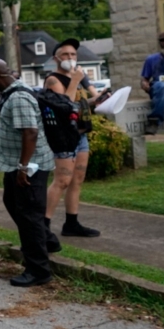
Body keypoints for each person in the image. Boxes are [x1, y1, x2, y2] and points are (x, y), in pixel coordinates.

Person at [0, 59, 57, 287]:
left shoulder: (18, 98)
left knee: (29, 216)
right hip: (16, 163)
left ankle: (38, 270)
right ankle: (48, 240)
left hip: (30, 166)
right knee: (13, 203)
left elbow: (30, 133)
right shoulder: (13, 93)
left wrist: (23, 167)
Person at [44, 38, 105, 238]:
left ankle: (72, 223)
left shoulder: (74, 80)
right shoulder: (53, 80)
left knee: (77, 179)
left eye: (73, 54)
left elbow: (79, 103)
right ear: (56, 58)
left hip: (79, 134)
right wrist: (76, 80)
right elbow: (64, 105)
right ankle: (43, 226)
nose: (70, 58)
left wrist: (98, 100)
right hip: (63, 137)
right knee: (62, 180)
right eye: (65, 54)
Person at [141, 31, 164, 137]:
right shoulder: (151, 59)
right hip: (158, 88)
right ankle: (154, 121)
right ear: (160, 43)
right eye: (163, 41)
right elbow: (144, 79)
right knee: (163, 86)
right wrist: (145, 85)